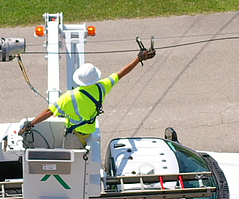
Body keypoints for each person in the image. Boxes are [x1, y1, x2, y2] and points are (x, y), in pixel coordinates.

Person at [18, 47, 156, 148]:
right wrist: (138, 59)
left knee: (70, 163)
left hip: (74, 138)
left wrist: (31, 124)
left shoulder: (69, 97)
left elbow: (49, 112)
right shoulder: (101, 87)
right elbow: (120, 73)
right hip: (89, 133)